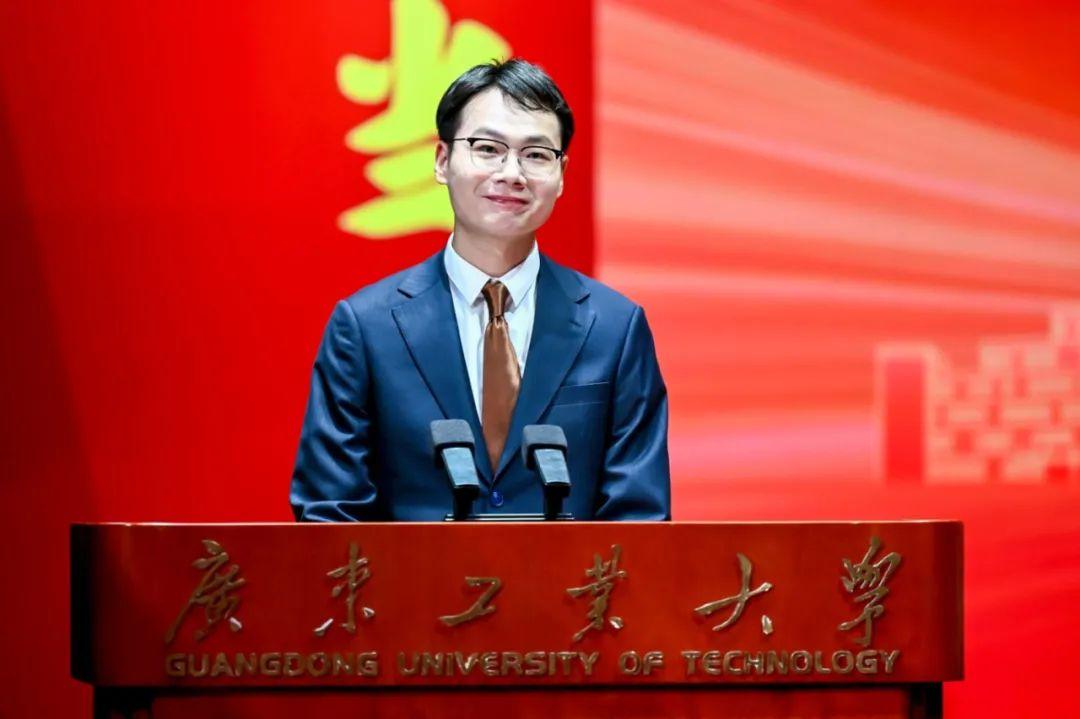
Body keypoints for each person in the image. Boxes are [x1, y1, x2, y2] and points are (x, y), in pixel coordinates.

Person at [291, 59, 669, 521]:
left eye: (536, 154)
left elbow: (640, 518)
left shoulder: (615, 328)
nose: (512, 173)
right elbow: (330, 515)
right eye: (488, 149)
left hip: (570, 573)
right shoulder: (365, 327)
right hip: (411, 573)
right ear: (442, 160)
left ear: (562, 174)